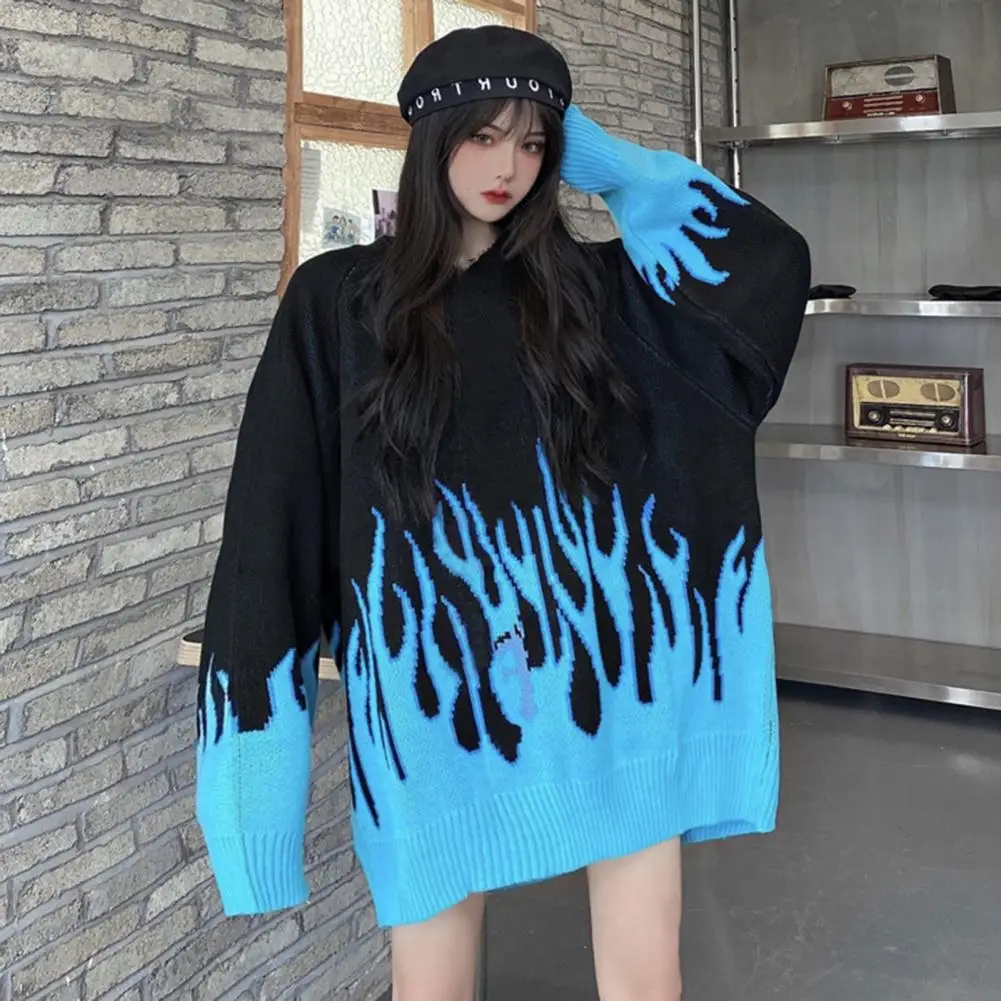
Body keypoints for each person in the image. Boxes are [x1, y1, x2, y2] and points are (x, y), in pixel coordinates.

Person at [194, 24, 810, 1001]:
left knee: (645, 974)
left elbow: (764, 260)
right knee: (430, 980)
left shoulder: (603, 291)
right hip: (434, 706)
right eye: (481, 136)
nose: (507, 168)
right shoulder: (340, 301)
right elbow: (271, 522)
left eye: (532, 143)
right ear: (431, 141)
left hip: (619, 692)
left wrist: (610, 164)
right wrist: (252, 799)